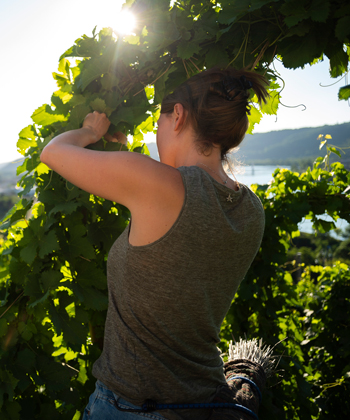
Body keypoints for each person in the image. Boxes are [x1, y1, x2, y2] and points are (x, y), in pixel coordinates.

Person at [40, 67, 268, 420]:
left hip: (131, 407)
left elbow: (53, 153)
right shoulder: (252, 210)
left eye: (159, 120)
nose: (157, 131)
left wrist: (89, 131)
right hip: (206, 401)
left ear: (177, 115)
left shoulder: (160, 185)